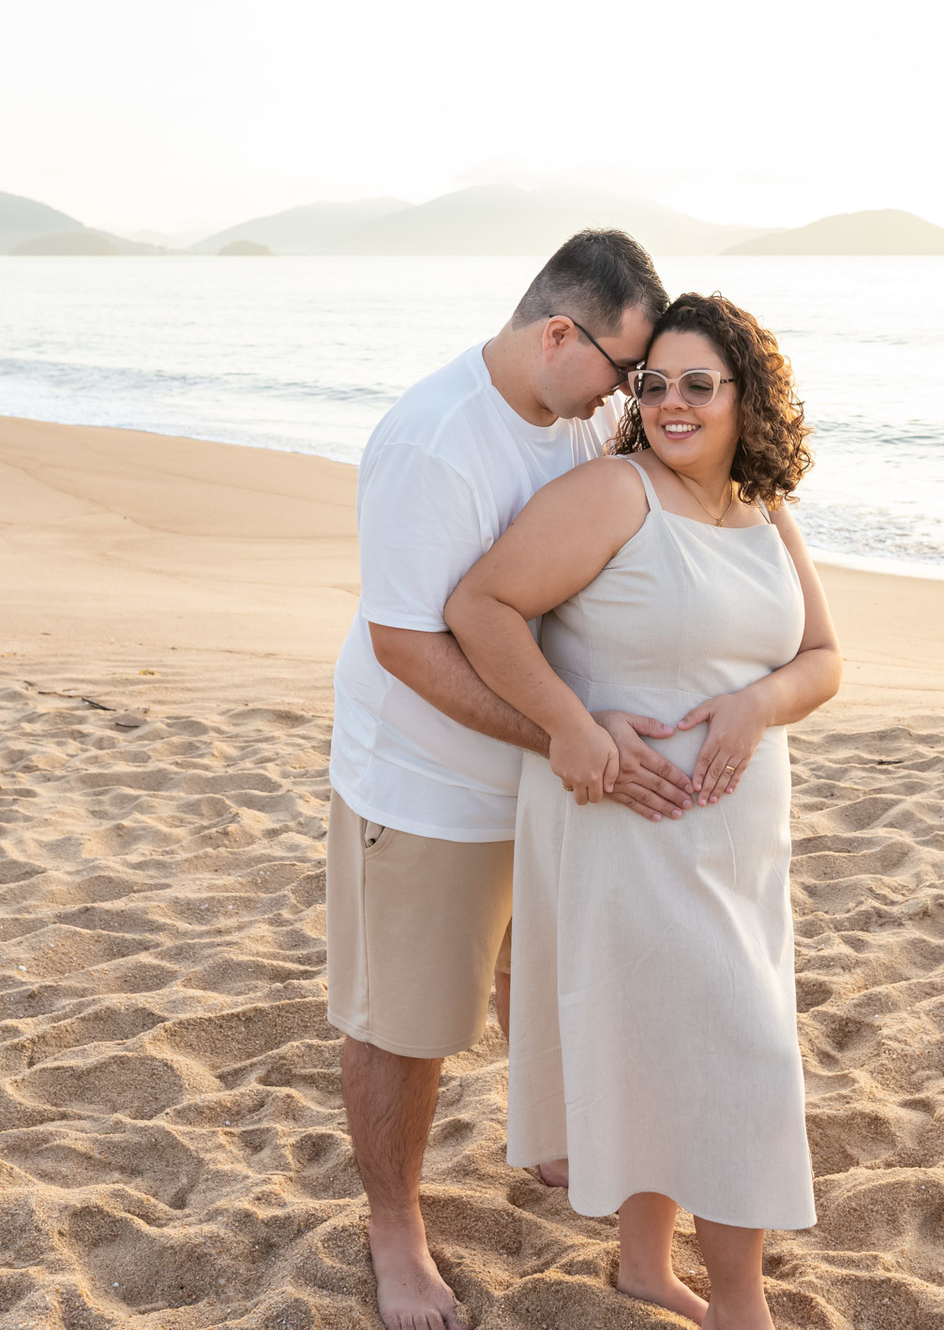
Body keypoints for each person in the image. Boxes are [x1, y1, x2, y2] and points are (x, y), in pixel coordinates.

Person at [327, 230, 704, 1330]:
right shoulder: (436, 442)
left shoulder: (578, 414)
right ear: (557, 333)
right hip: (424, 783)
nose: (630, 393)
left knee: (530, 972)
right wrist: (562, 733)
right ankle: (394, 1233)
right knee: (405, 1024)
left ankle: (545, 1132)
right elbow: (407, 643)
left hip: (543, 775)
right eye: (624, 367)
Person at [446, 292, 842, 1330]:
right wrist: (572, 727)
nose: (671, 403)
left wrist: (756, 705)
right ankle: (742, 1305)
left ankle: (642, 1267)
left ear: (744, 396)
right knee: (733, 1052)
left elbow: (823, 660)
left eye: (697, 384)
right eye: (652, 382)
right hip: (632, 826)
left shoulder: (765, 513)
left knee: (677, 1041)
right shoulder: (616, 494)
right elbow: (479, 607)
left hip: (742, 843)